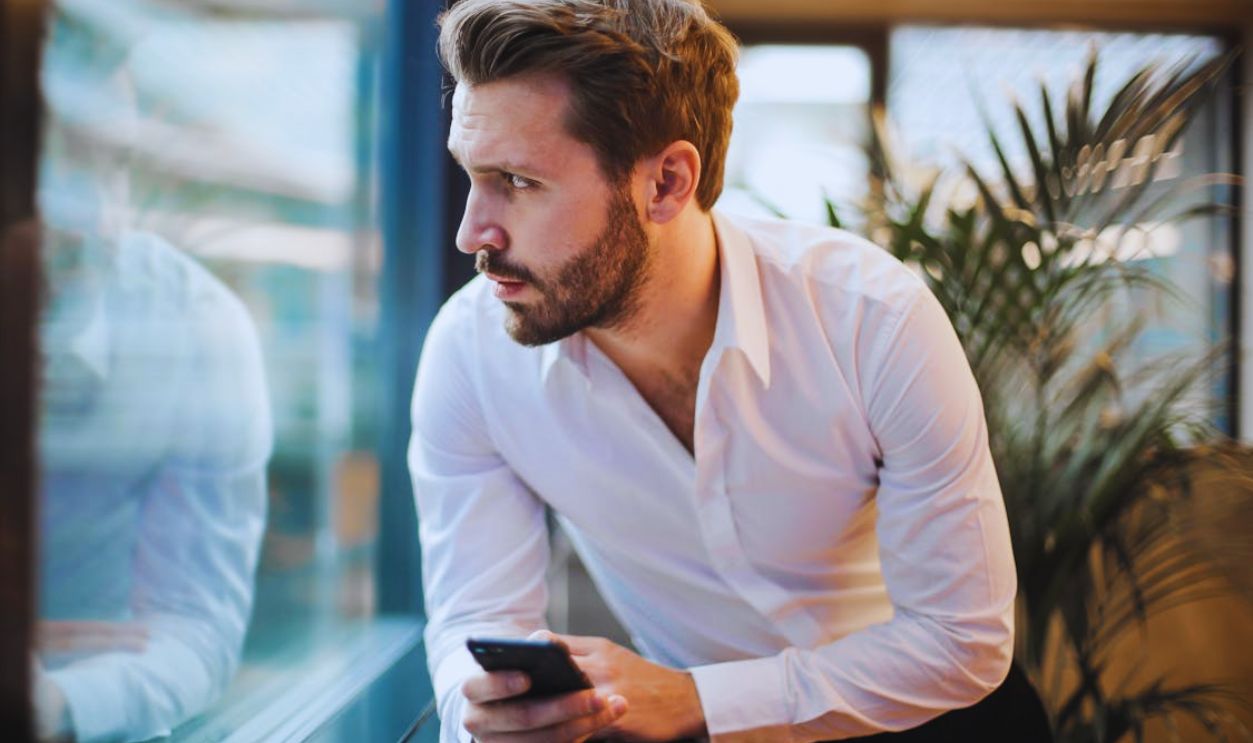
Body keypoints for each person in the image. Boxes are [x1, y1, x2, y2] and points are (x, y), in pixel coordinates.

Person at [410, 1, 1039, 741]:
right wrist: (481, 704)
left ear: (666, 183)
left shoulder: (870, 318)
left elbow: (960, 640)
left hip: (934, 717)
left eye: (516, 181)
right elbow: (471, 622)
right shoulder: (469, 354)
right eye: (471, 175)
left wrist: (698, 698)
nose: (470, 233)